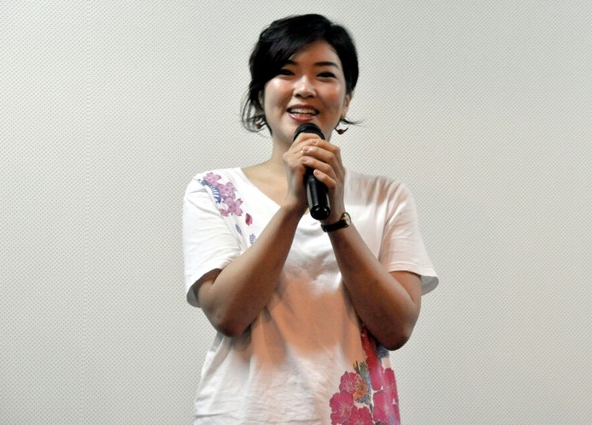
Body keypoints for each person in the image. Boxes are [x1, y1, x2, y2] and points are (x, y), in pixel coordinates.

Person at [182, 14, 438, 425]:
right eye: (286, 73)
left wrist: (336, 219)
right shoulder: (214, 190)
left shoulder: (387, 197)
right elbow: (227, 314)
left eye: (324, 74)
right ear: (260, 93)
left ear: (347, 99)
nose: (305, 88)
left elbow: (397, 328)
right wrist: (291, 206)